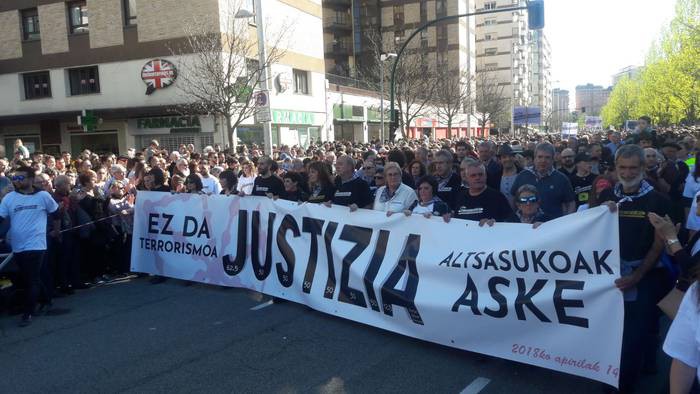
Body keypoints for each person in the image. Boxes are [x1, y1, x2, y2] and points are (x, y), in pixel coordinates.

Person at [598, 144, 671, 393]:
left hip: (645, 276)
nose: (627, 173)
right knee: (611, 332)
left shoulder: (658, 200)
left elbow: (659, 244)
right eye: (622, 168)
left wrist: (637, 276)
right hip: (610, 277)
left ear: (642, 168)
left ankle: (625, 383)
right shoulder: (606, 198)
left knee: (633, 335)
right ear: (615, 168)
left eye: (633, 168)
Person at [0, 165, 59, 326]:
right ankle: (46, 299)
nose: (17, 181)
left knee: (31, 278)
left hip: (37, 243)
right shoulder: (9, 198)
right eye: (15, 178)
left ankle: (28, 313)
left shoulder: (43, 196)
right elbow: (1, 218)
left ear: (31, 179)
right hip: (18, 245)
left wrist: (56, 231)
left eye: (21, 178)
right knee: (30, 276)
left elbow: (56, 214)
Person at [510, 142, 576, 218]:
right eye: (540, 157)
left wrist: (566, 222)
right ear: (534, 158)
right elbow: (513, 198)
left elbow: (571, 203)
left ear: (553, 159)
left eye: (547, 157)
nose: (543, 160)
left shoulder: (561, 179)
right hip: (527, 226)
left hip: (552, 226)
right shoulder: (523, 175)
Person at [453, 160, 514, 225]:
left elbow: (512, 221)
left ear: (486, 176)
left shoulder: (497, 197)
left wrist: (496, 222)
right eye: (473, 175)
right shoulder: (460, 197)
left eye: (480, 174)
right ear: (467, 178)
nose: (477, 178)